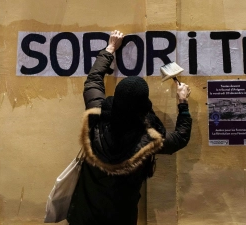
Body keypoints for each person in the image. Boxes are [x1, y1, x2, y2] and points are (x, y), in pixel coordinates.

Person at [67, 30, 192, 225]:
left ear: (116, 98)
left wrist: (110, 49)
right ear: (143, 106)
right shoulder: (149, 140)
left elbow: (93, 80)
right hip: (121, 218)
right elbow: (180, 138)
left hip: (84, 215)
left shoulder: (96, 115)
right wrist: (182, 102)